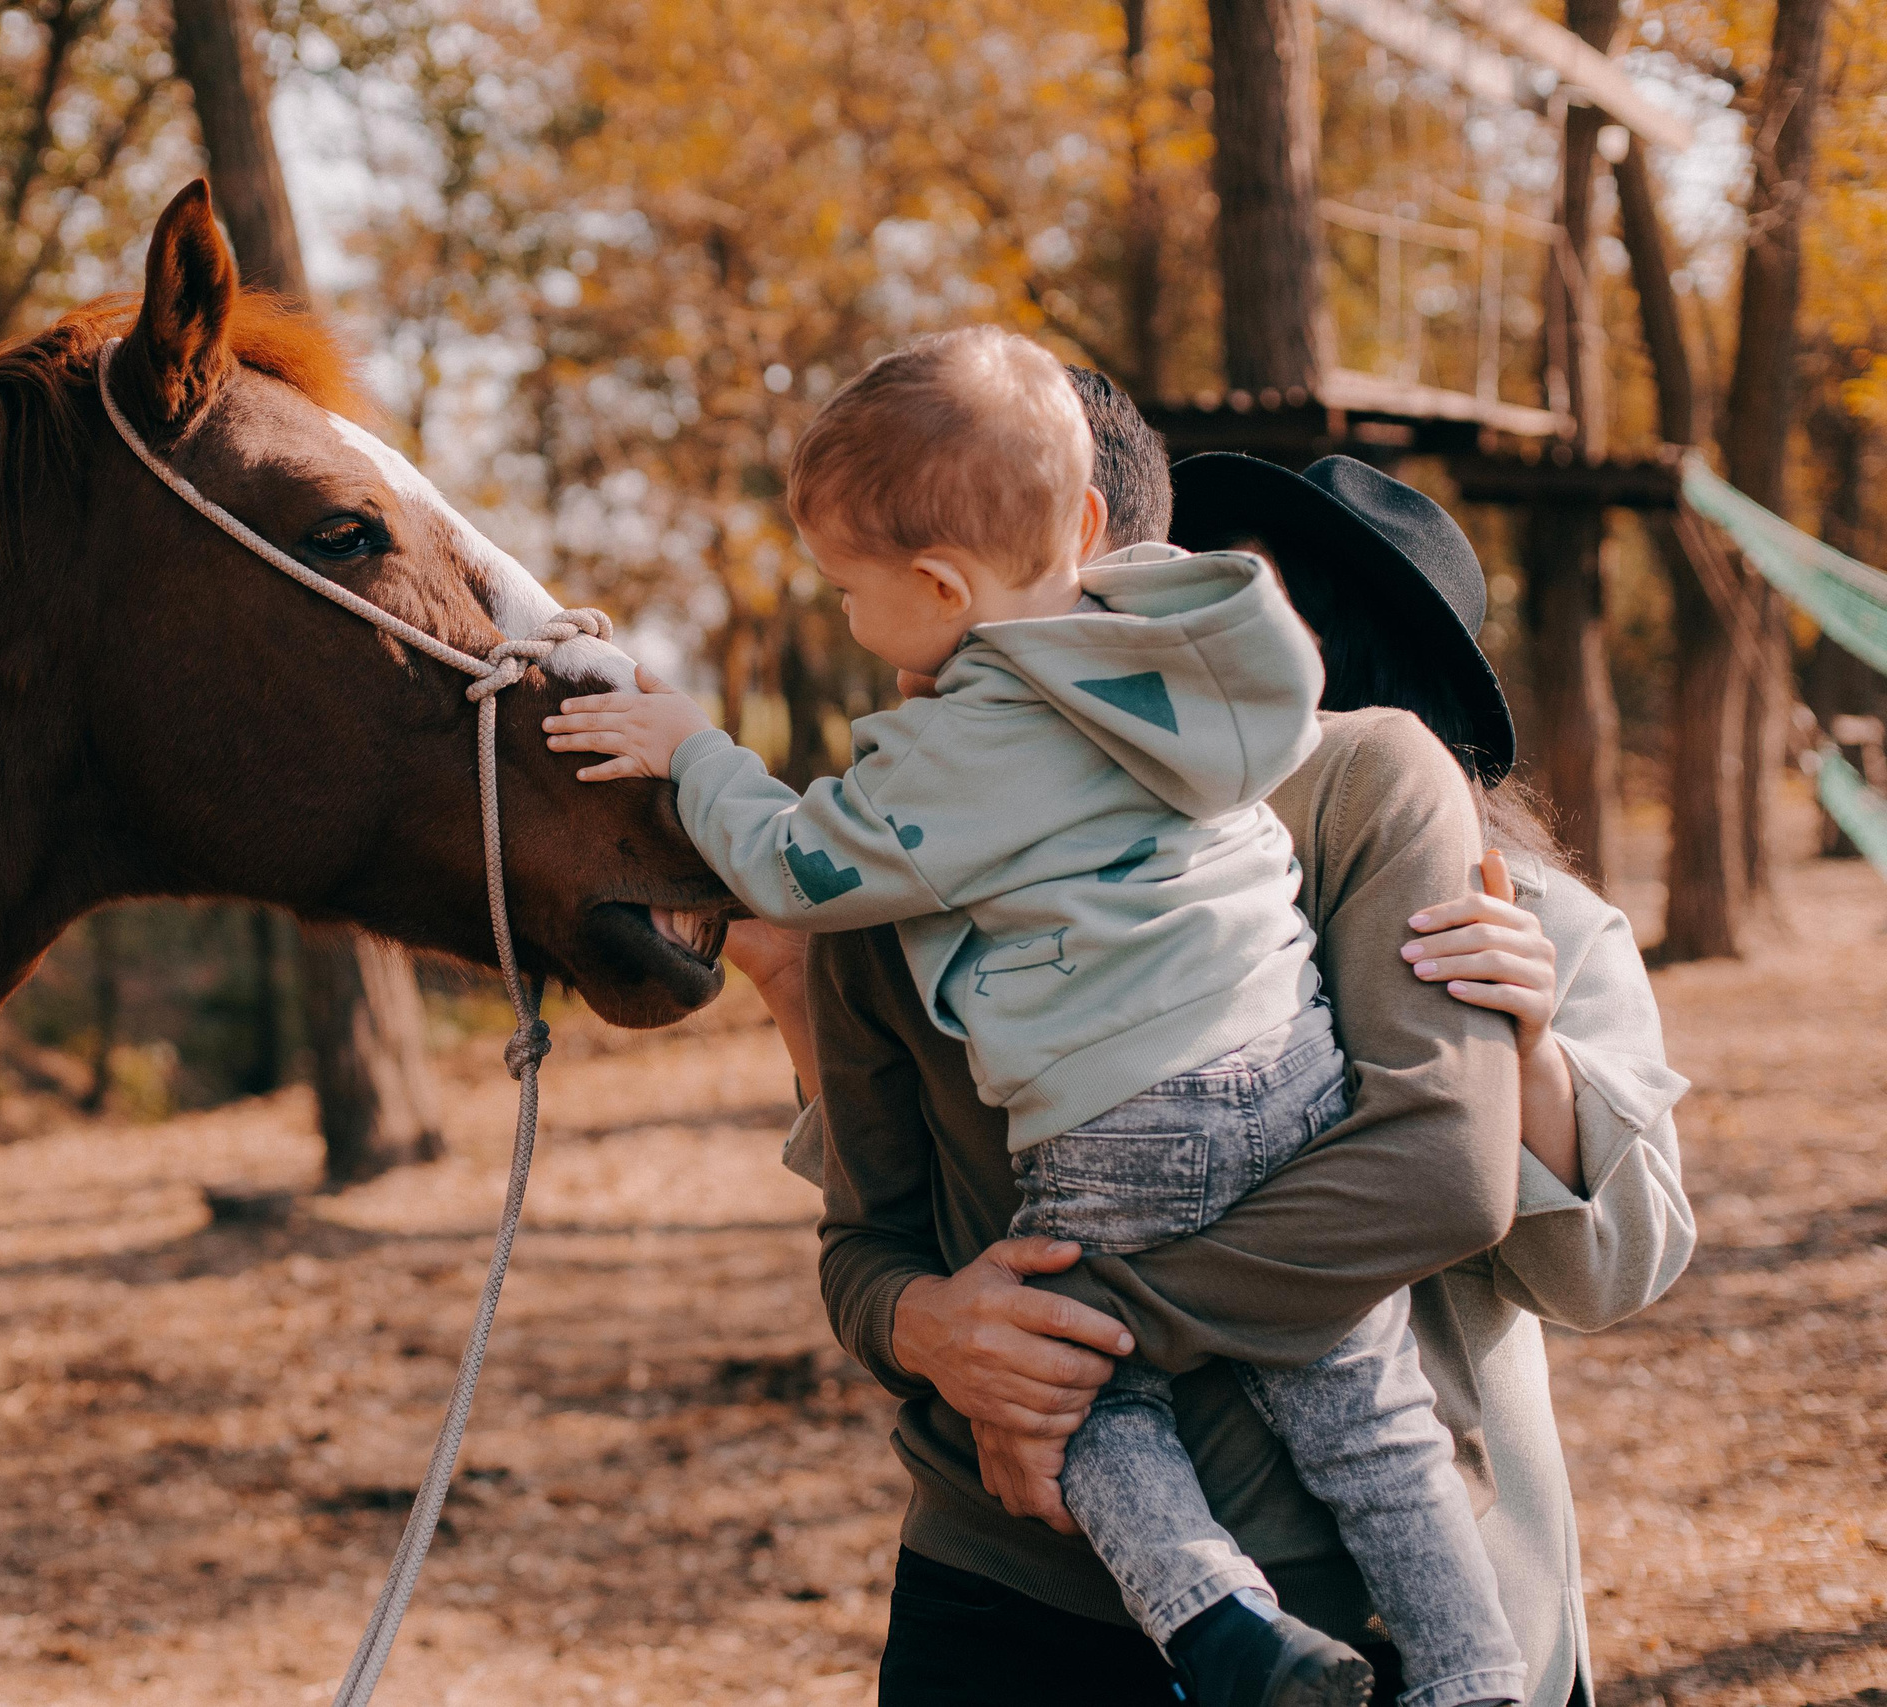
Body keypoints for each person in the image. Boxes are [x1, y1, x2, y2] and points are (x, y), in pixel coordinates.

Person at [544, 331, 1522, 1707]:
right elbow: (868, 1244)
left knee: (1118, 1412)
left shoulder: (1350, 784)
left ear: (942, 587)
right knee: (1375, 1419)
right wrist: (934, 1329)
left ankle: (1225, 1626)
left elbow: (1445, 1176)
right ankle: (1474, 1677)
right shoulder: (1198, 727)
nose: (850, 623)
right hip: (993, 1586)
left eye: (848, 591)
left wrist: (1052, 1352)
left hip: (1294, 1563)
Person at [723, 415, 1690, 1707]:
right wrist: (938, 1328)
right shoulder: (1029, 871)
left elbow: (1605, 1269)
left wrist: (1534, 1062)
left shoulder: (1529, 920)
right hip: (1049, 1580)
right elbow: (901, 1201)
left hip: (1407, 1558)